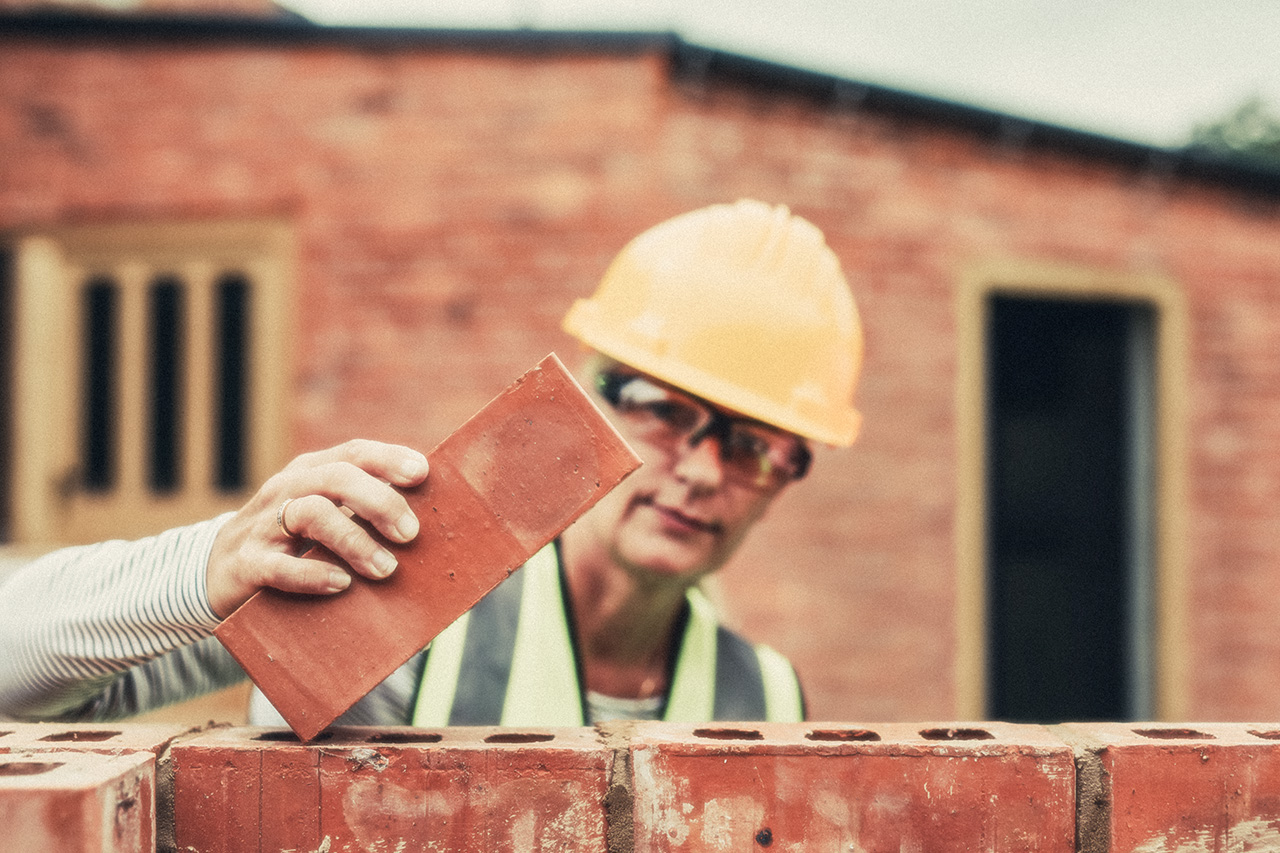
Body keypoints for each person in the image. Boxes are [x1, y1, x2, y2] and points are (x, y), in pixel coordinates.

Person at [0, 199, 862, 726]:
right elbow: (14, 674)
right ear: (596, 398)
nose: (706, 472)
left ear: (786, 476)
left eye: (755, 445)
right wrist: (209, 567)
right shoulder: (412, 587)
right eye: (670, 413)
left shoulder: (768, 699)